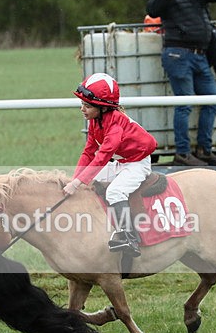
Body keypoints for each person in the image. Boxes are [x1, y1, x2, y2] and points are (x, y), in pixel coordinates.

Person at [146, 0, 216, 167]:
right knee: (184, 104)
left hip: (200, 54)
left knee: (212, 100)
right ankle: (183, 152)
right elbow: (152, 9)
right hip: (177, 53)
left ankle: (204, 149)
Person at [63, 73, 158, 257]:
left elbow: (103, 156)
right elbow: (88, 153)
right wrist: (75, 179)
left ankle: (130, 236)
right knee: (89, 181)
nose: (82, 109)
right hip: (122, 162)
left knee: (115, 191)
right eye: (82, 104)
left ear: (103, 107)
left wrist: (76, 183)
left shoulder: (115, 125)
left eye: (87, 106)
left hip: (138, 163)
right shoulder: (95, 121)